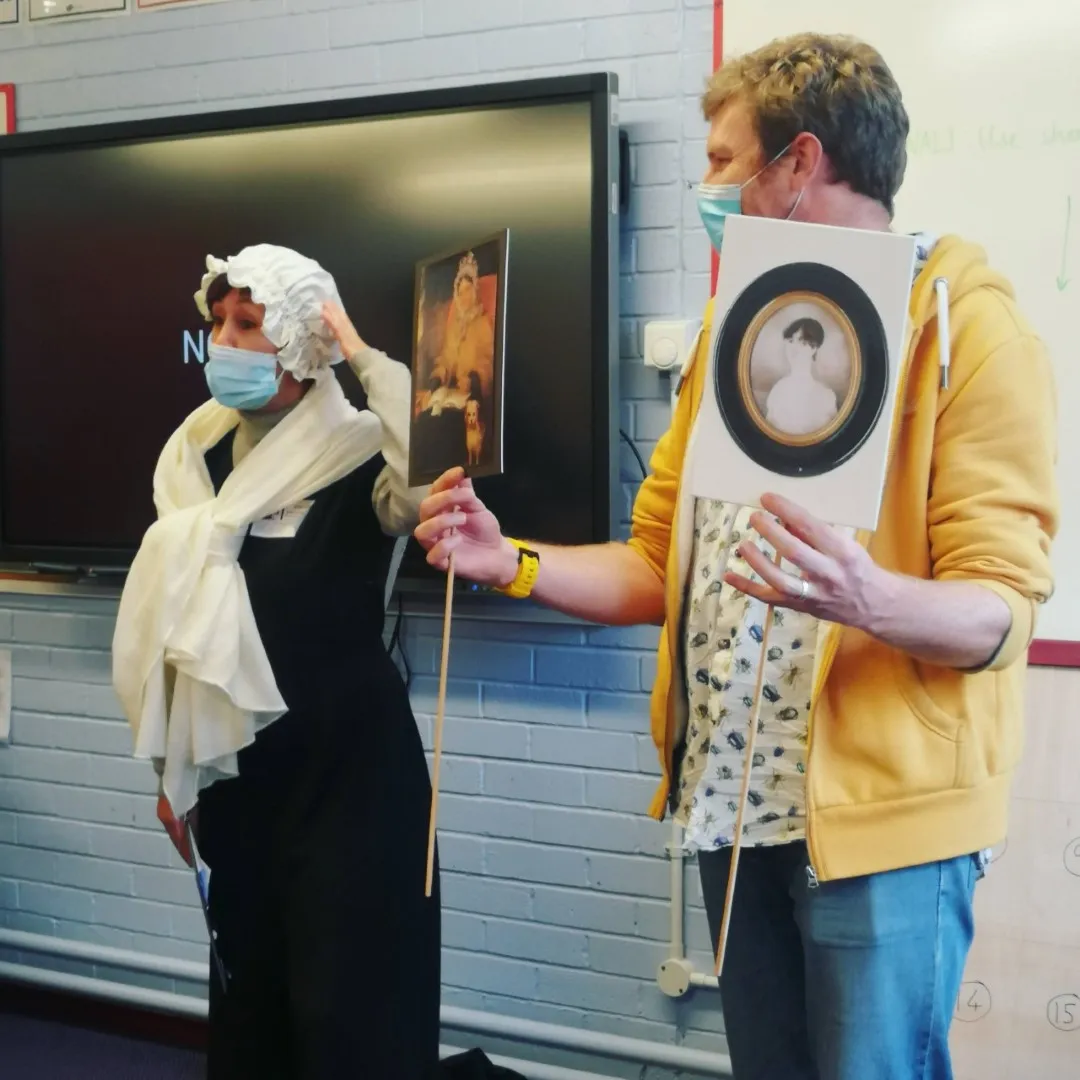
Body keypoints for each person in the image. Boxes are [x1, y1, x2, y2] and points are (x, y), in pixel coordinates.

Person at [413, 34, 1058, 1080]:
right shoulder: (732, 332)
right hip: (731, 805)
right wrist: (511, 561)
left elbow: (1000, 615)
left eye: (723, 160)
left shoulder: (965, 326)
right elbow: (657, 564)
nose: (706, 185)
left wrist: (869, 597)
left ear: (798, 165)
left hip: (882, 834)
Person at [112, 244, 439, 1079]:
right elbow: (185, 626)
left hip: (352, 784)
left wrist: (367, 361)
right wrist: (173, 773)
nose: (221, 338)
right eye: (219, 320)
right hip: (238, 780)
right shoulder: (196, 455)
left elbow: (432, 473)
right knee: (251, 1000)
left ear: (299, 342)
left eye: (247, 324)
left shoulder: (363, 451)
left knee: (351, 1012)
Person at [763, 316, 837, 435]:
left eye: (802, 342)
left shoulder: (826, 396)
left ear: (813, 348)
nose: (794, 348)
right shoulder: (778, 390)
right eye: (791, 341)